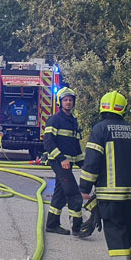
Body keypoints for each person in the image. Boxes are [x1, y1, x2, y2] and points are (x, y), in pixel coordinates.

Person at [79, 91, 131, 260]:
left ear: (103, 107)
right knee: (125, 228)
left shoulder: (100, 129)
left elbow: (92, 161)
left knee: (114, 230)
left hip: (109, 193)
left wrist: (85, 186)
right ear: (122, 108)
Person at [44, 87, 85, 235]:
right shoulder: (55, 119)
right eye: (65, 100)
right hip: (59, 162)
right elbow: (48, 141)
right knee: (73, 192)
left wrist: (85, 165)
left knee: (60, 193)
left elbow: (76, 146)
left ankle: (52, 224)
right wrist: (61, 158)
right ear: (60, 102)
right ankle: (77, 227)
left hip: (68, 163)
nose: (68, 102)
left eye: (70, 100)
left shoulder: (73, 121)